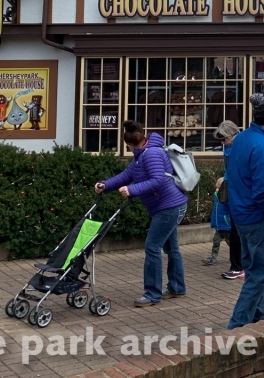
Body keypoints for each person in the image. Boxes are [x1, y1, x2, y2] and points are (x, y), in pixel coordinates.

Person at [96, 121, 187, 306]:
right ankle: (177, 288)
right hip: (169, 205)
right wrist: (105, 185)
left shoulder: (151, 153)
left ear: (130, 143)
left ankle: (152, 294)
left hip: (168, 207)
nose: (128, 148)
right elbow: (126, 176)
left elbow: (158, 180)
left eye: (127, 146)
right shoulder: (141, 155)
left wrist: (132, 190)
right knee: (171, 248)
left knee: (152, 247)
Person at [227, 94, 264, 329]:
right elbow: (263, 191)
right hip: (257, 217)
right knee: (261, 272)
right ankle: (237, 325)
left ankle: (256, 317)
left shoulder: (242, 139)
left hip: (240, 214)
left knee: (252, 269)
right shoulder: (262, 147)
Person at [216, 120, 245, 280]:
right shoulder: (227, 147)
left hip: (241, 195)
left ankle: (238, 267)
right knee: (235, 231)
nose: (222, 143)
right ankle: (238, 265)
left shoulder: (241, 146)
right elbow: (227, 169)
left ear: (232, 135)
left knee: (237, 233)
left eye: (224, 139)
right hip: (233, 192)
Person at [202, 178, 231, 266]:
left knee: (231, 243)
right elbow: (215, 212)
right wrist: (214, 223)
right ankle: (213, 257)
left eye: (219, 188)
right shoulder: (216, 198)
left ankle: (238, 257)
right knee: (216, 241)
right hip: (219, 226)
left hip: (227, 226)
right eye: (217, 188)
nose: (217, 190)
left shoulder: (227, 198)